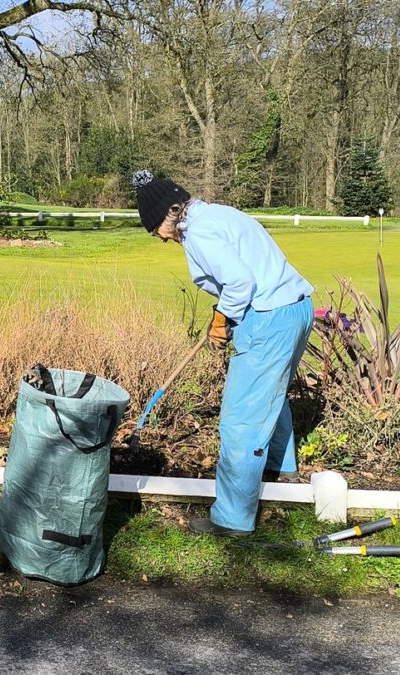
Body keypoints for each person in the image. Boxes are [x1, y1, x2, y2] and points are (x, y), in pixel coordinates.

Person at [132, 169, 314, 537]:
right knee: (269, 394)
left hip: (268, 319)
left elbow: (239, 283)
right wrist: (228, 318)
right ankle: (279, 466)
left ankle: (232, 519)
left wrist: (221, 319)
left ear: (172, 212)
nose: (163, 239)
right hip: (296, 309)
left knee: (241, 417)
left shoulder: (198, 232)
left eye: (158, 231)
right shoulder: (220, 214)